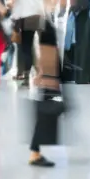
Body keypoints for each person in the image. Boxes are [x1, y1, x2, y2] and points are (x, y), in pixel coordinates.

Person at [29, 14, 65, 168]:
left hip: (48, 79)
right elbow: (47, 56)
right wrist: (46, 76)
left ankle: (35, 152)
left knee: (45, 115)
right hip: (50, 81)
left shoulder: (42, 31)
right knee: (45, 115)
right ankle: (34, 153)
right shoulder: (46, 40)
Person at [8, 0, 45, 88]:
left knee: (26, 48)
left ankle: (26, 77)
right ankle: (39, 74)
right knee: (35, 47)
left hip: (25, 20)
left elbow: (11, 1)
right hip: (38, 18)